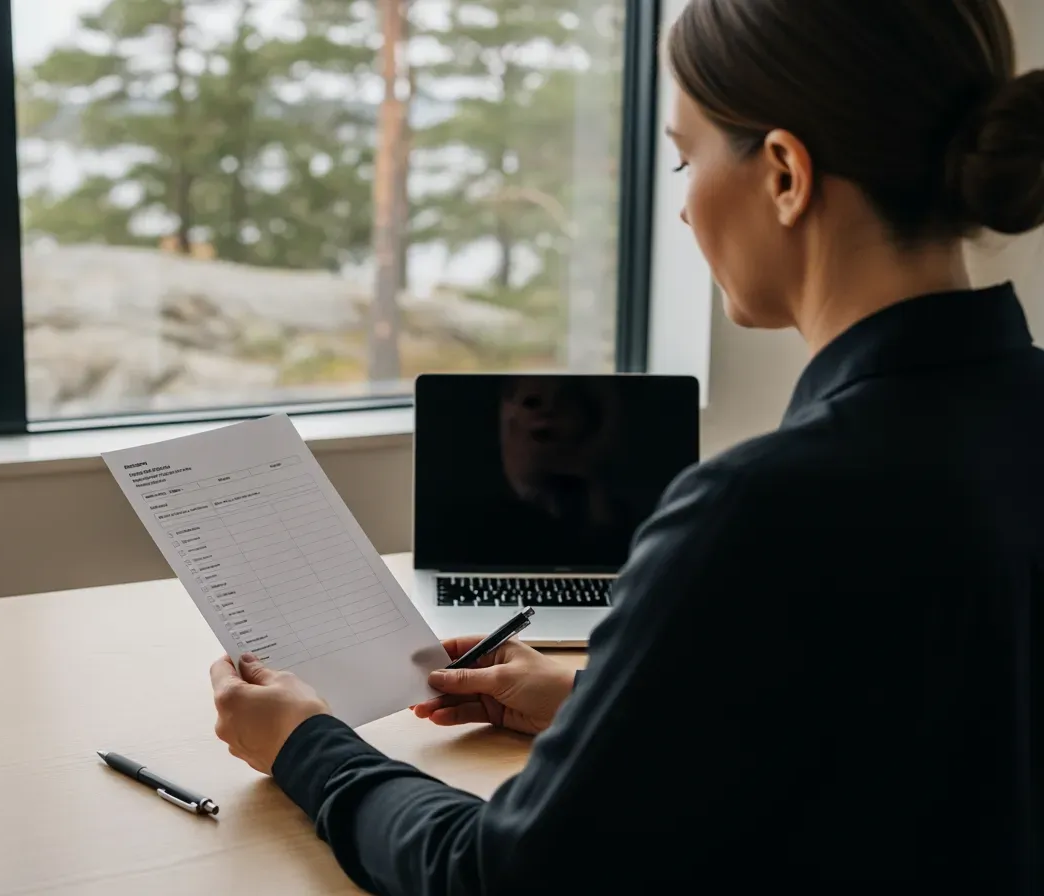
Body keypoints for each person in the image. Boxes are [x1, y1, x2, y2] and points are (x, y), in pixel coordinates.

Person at [209, 0, 1044, 890]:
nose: (681, 210)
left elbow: (496, 878)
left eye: (684, 159)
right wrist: (595, 704)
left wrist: (307, 745)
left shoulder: (759, 510)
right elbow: (903, 732)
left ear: (786, 175)